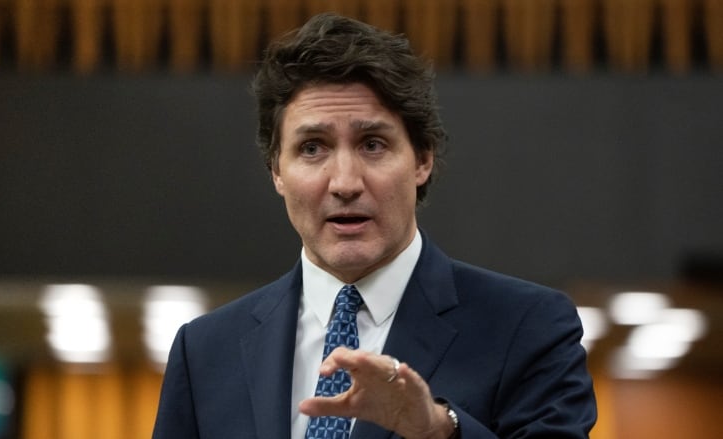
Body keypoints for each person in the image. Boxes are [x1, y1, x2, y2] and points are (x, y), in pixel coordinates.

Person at [152, 12, 597, 439]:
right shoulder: (205, 351)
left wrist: (439, 431)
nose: (345, 183)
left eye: (372, 144)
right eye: (312, 148)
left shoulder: (528, 326)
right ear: (276, 171)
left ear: (422, 159)